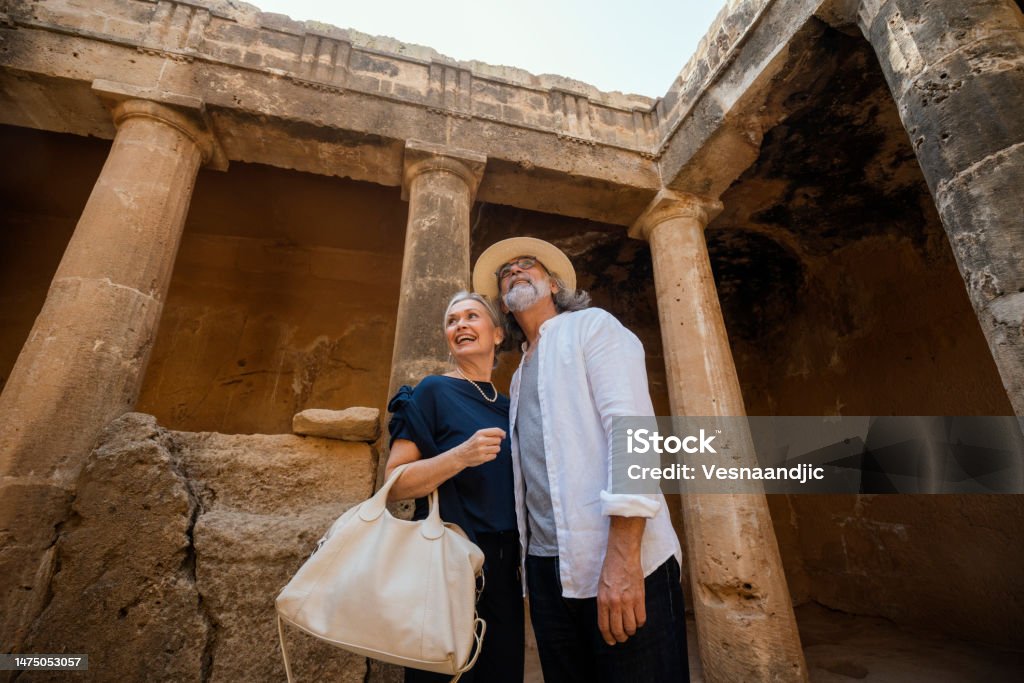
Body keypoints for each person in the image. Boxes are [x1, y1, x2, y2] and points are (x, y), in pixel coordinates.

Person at [472, 237, 689, 683]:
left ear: (552, 284)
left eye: (526, 265)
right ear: (505, 307)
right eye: (505, 272)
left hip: (622, 560)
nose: (513, 270)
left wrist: (623, 559)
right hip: (547, 571)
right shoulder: (519, 371)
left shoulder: (592, 327)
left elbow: (634, 435)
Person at [384, 291, 524, 683]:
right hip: (447, 559)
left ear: (497, 334)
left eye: (471, 317)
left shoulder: (510, 404)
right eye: (452, 320)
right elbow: (395, 483)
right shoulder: (432, 391)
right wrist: (459, 456)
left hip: (505, 568)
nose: (460, 324)